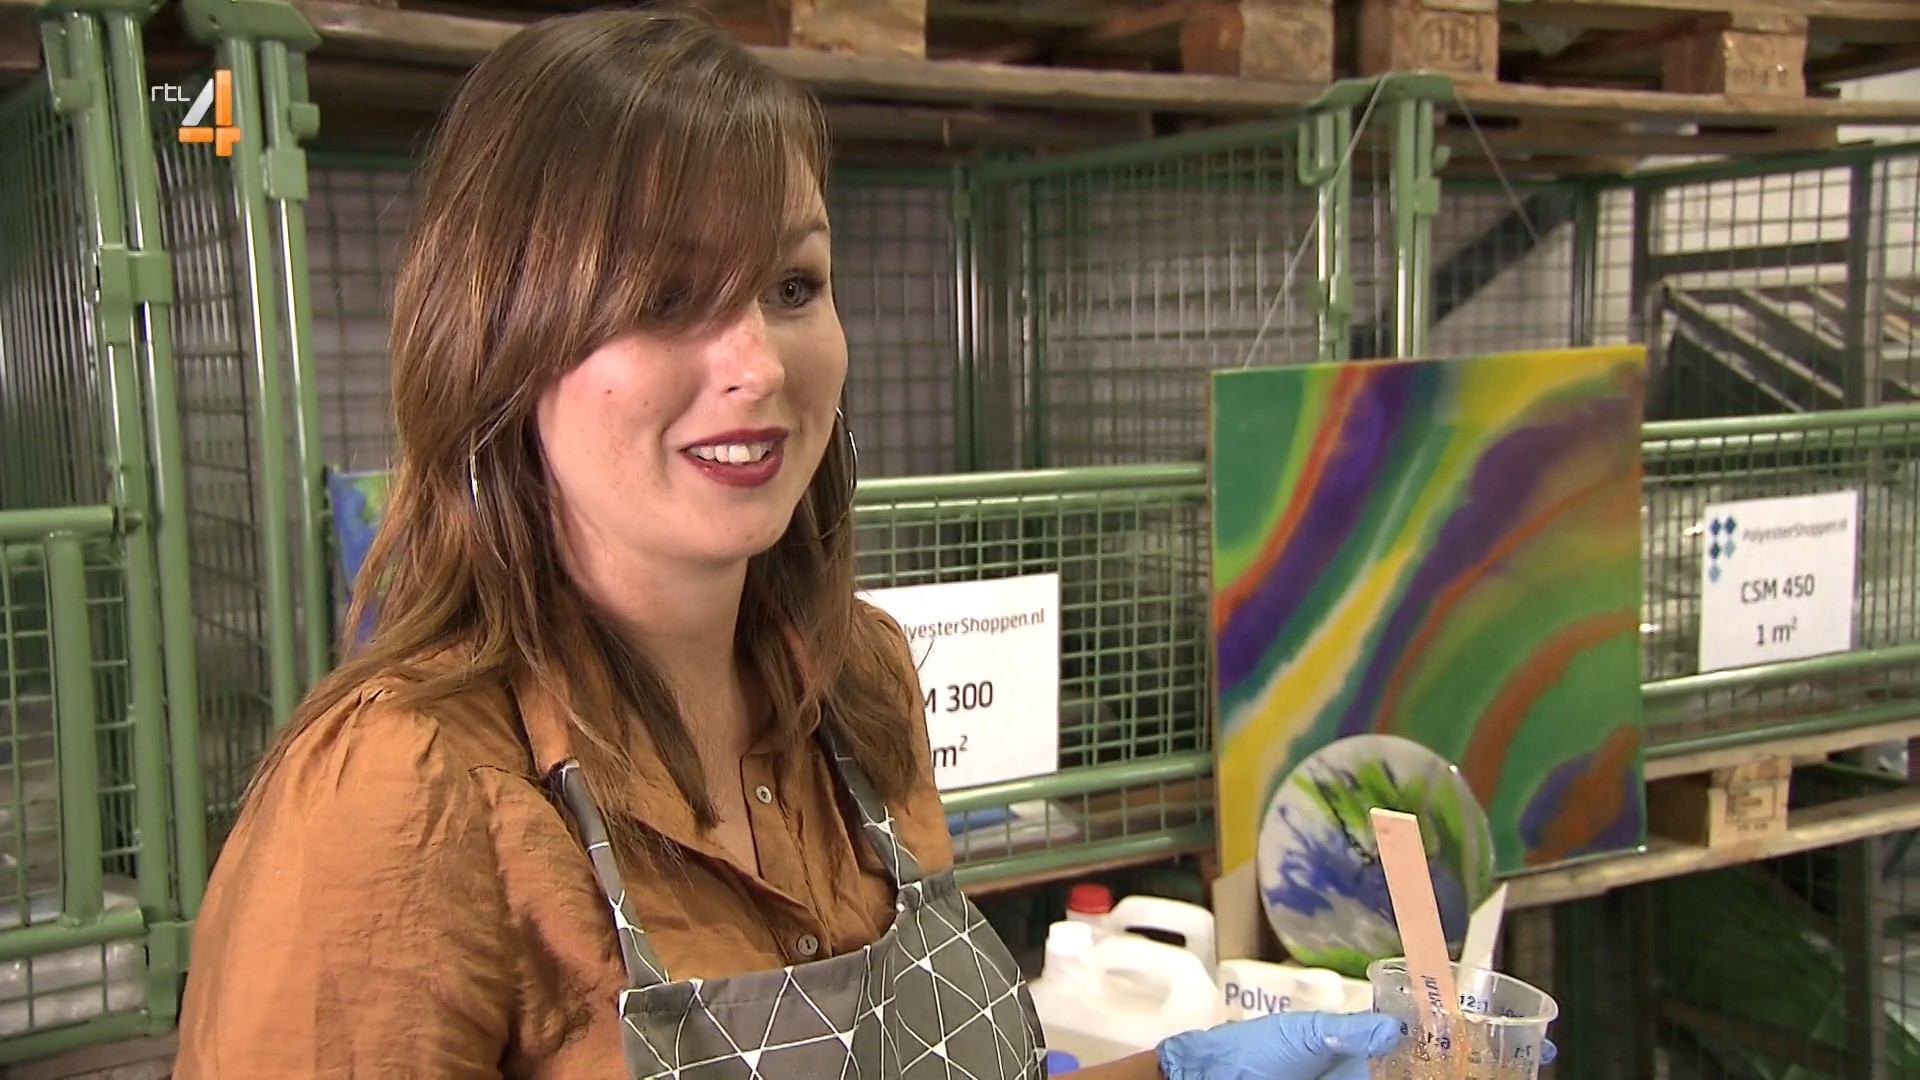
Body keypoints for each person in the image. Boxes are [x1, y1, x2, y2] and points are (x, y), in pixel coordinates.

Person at [171, 7, 1491, 1079]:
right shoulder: (397, 802)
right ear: (498, 342)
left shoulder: (856, 683)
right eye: (665, 297)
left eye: (792, 285)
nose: (757, 363)